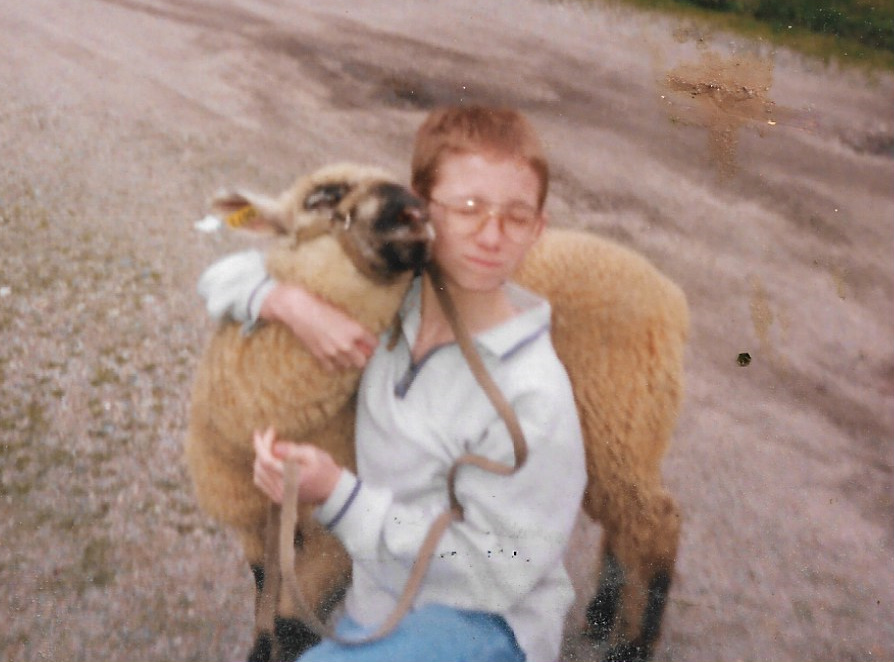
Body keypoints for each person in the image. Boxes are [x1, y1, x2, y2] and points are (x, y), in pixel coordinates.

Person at [198, 106, 586, 662]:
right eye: (468, 208)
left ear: (538, 229)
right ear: (419, 207)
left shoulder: (532, 396)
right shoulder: (391, 303)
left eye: (516, 217)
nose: (491, 235)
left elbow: (502, 572)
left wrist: (337, 496)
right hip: (379, 601)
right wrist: (288, 303)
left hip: (484, 624)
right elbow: (227, 274)